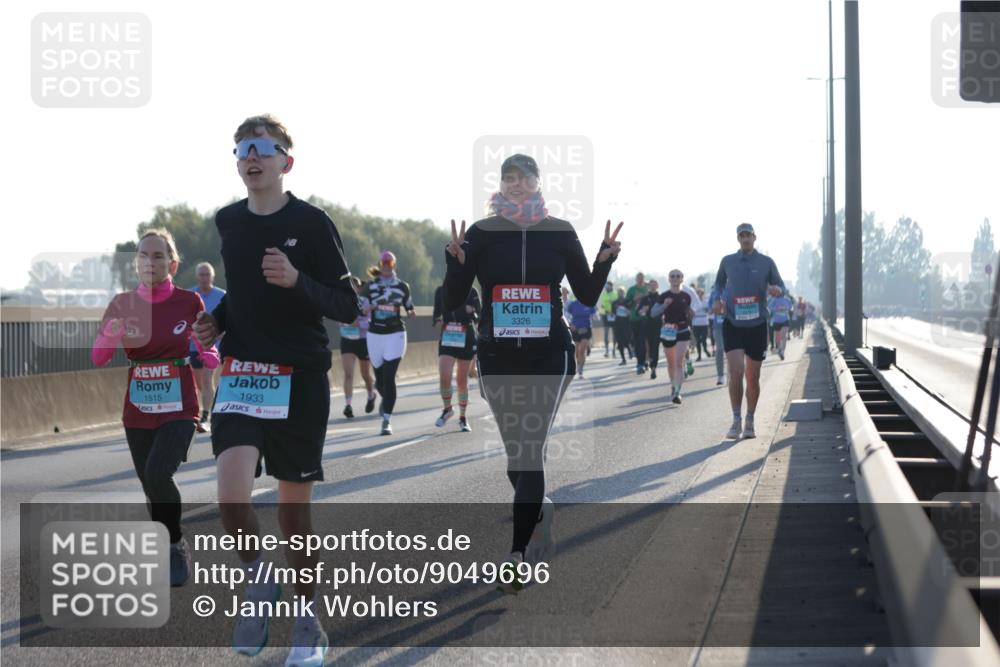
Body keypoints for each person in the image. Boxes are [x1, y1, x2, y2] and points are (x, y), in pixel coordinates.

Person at [193, 114, 360, 665]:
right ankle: (260, 577)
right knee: (231, 497)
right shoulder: (228, 221)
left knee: (294, 519)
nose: (251, 156)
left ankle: (308, 622)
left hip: (300, 379)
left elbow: (346, 304)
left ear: (286, 161)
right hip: (242, 374)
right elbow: (240, 296)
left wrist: (296, 279)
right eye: (242, 149)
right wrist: (217, 323)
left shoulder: (312, 224)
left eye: (263, 148)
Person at [443, 153, 622, 593]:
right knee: (516, 455)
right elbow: (452, 302)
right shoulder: (481, 233)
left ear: (539, 183)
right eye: (508, 178)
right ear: (500, 185)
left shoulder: (559, 231)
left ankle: (516, 555)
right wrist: (455, 263)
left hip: (549, 356)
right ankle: (540, 509)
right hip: (498, 356)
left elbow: (586, 293)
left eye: (523, 178)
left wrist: (603, 260)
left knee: (530, 448)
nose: (515, 185)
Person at [93, 229, 219, 587]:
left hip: (180, 406)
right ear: (136, 263)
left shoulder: (189, 302)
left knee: (158, 475)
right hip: (138, 409)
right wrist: (111, 334)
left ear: (172, 264)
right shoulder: (121, 304)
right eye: (144, 256)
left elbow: (208, 350)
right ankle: (165, 544)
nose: (151, 262)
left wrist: (209, 354)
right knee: (151, 485)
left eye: (158, 256)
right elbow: (99, 357)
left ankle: (176, 545)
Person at [712, 223, 785, 440]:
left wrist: (776, 290)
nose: (745, 238)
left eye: (748, 235)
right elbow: (718, 285)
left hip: (757, 325)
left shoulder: (766, 263)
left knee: (753, 377)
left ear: (755, 237)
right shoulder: (728, 261)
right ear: (738, 239)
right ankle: (736, 420)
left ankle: (750, 419)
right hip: (733, 323)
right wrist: (716, 300)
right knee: (736, 373)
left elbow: (780, 287)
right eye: (741, 235)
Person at [363, 251, 416, 435]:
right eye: (384, 263)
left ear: (393, 265)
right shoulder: (370, 286)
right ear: (380, 264)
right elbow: (361, 309)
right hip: (375, 334)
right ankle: (387, 401)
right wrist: (369, 307)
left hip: (395, 334)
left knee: (389, 375)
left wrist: (411, 313)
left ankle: (386, 420)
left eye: (389, 263)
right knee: (380, 381)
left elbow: (409, 307)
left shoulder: (402, 286)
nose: (386, 266)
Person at [432, 281, 481, 431]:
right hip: (448, 337)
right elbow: (436, 314)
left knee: (461, 381)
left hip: (466, 336)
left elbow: (479, 316)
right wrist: (438, 319)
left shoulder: (472, 291)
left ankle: (463, 418)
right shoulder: (441, 290)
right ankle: (447, 409)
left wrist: (471, 311)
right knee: (444, 376)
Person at [189, 262, 226, 431]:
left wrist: (219, 334)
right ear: (197, 277)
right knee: (198, 383)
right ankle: (201, 412)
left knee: (207, 378)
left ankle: (206, 416)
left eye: (207, 275)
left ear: (212, 277)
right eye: (201, 275)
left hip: (213, 347)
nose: (204, 278)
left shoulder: (221, 295)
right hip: (193, 346)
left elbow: (228, 320)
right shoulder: (190, 295)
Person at [652, 270, 694, 403]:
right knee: (671, 363)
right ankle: (673, 385)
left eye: (678, 276)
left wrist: (691, 312)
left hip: (682, 331)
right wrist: (664, 305)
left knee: (678, 362)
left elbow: (691, 312)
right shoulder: (664, 296)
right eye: (672, 276)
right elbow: (653, 313)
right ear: (669, 279)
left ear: (682, 279)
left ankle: (677, 392)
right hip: (668, 332)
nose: (675, 278)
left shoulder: (687, 296)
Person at [339, 276, 376, 419]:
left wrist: (359, 324)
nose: (353, 288)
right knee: (348, 373)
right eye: (350, 285)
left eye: (355, 285)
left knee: (365, 374)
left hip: (362, 340)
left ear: (360, 288)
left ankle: (371, 395)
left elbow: (370, 321)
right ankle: (348, 405)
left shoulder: (365, 302)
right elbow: (337, 316)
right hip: (347, 340)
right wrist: (345, 322)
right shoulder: (342, 300)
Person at [566, 290, 597, 378]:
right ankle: (578, 364)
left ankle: (581, 369)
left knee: (582, 350)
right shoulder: (572, 305)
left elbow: (595, 315)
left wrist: (594, 316)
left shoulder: (589, 303)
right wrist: (570, 324)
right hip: (575, 329)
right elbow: (567, 315)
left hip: (586, 329)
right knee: (576, 351)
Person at [625, 273, 649, 374]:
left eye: (641, 278)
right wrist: (634, 299)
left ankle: (642, 363)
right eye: (638, 278)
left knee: (642, 341)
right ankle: (641, 363)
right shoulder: (631, 290)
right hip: (634, 319)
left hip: (645, 319)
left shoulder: (647, 289)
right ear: (636, 279)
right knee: (637, 342)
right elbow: (626, 304)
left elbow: (653, 301)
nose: (640, 280)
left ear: (644, 279)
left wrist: (644, 298)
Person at [638, 279, 661, 379]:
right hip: (647, 325)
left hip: (658, 325)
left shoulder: (661, 298)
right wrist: (643, 310)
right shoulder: (645, 298)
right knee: (648, 347)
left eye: (654, 284)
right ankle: (649, 360)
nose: (652, 286)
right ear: (648, 286)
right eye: (651, 284)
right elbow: (638, 312)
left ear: (657, 286)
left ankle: (654, 368)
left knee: (655, 346)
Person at [708, 286, 727, 385]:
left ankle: (732, 375)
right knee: (719, 349)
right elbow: (710, 309)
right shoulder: (715, 292)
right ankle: (720, 375)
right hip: (718, 326)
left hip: (734, 325)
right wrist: (716, 308)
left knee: (733, 352)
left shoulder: (736, 287)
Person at [611, 286, 632, 366]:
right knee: (619, 342)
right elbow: (613, 313)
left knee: (627, 339)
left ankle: (630, 350)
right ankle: (623, 359)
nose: (620, 293)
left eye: (622, 291)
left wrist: (626, 310)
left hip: (627, 323)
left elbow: (631, 311)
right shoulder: (614, 302)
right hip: (618, 323)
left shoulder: (628, 301)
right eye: (619, 291)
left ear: (624, 292)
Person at [769, 291, 793, 360]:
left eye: (781, 292)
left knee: (784, 335)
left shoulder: (787, 299)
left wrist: (787, 308)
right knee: (778, 338)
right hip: (776, 320)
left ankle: (782, 351)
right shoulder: (774, 300)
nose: (780, 293)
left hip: (785, 319)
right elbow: (769, 308)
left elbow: (791, 307)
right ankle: (779, 348)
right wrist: (776, 309)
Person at [691, 287, 711, 361]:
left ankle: (705, 350)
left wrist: (706, 309)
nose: (700, 295)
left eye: (701, 293)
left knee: (703, 339)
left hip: (704, 322)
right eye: (698, 293)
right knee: (698, 340)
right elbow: (691, 311)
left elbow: (709, 310)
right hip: (696, 323)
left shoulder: (706, 301)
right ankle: (699, 355)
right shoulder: (694, 302)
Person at [598, 281, 616, 356]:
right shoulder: (603, 294)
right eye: (606, 286)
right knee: (606, 334)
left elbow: (617, 304)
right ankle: (606, 351)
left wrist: (612, 311)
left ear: (611, 286)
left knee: (614, 333)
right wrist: (605, 310)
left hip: (613, 315)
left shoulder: (615, 294)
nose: (606, 287)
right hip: (605, 315)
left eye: (608, 286)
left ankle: (614, 350)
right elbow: (601, 305)